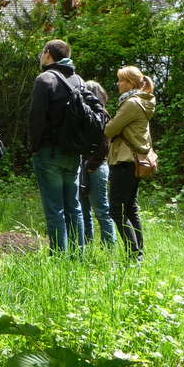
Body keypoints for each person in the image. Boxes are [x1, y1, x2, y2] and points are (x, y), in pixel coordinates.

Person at [28, 39, 86, 252]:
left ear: (48, 54)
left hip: (49, 152)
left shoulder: (45, 79)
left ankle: (60, 255)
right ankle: (78, 253)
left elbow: (36, 118)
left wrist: (34, 147)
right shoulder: (79, 80)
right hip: (75, 152)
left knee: (55, 208)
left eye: (43, 52)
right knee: (74, 206)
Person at [104, 66, 157, 261]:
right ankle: (138, 254)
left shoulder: (131, 104)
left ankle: (134, 254)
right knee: (130, 207)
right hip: (134, 161)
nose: (118, 84)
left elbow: (109, 130)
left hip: (125, 160)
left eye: (122, 81)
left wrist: (109, 123)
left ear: (132, 84)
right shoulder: (144, 102)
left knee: (116, 209)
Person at [80, 80, 115, 246]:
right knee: (83, 209)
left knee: (102, 210)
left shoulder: (103, 115)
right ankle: (86, 246)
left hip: (97, 167)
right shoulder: (83, 114)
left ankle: (109, 248)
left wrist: (92, 165)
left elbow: (105, 144)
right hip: (83, 165)